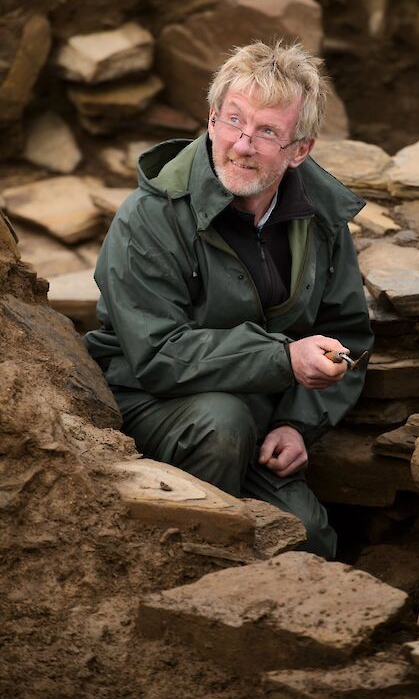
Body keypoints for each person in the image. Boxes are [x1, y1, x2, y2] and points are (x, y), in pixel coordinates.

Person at [85, 41, 373, 559]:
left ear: (299, 150)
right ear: (212, 119)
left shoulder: (321, 217)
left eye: (267, 131)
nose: (242, 144)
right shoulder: (148, 218)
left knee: (308, 537)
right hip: (150, 403)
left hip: (260, 410)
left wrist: (297, 421)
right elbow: (157, 355)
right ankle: (190, 572)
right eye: (233, 120)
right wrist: (282, 359)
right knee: (221, 423)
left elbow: (346, 333)